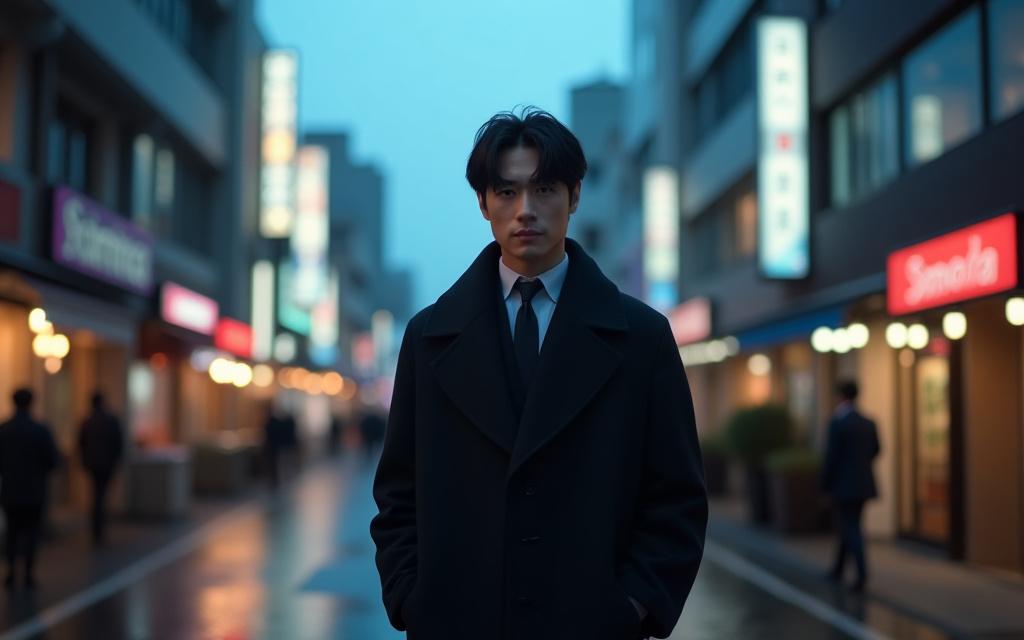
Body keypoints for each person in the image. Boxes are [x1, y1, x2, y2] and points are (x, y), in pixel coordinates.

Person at [370, 108, 707, 640]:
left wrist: (633, 605)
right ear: (483, 203)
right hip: (456, 621)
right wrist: (412, 598)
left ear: (575, 197)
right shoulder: (428, 336)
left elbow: (677, 495)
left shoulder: (641, 337)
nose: (525, 210)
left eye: (545, 189)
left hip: (590, 624)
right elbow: (397, 493)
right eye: (506, 192)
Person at [822, 380, 880, 592]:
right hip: (864, 483)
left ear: (840, 396)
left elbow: (831, 458)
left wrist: (825, 485)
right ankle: (837, 569)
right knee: (849, 525)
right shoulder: (868, 422)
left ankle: (862, 575)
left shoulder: (837, 422)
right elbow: (876, 450)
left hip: (843, 484)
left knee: (851, 527)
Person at [0, 388, 59, 589]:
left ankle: (10, 571)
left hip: (10, 489)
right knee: (31, 532)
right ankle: (28, 572)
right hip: (34, 490)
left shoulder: (4, 429)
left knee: (13, 531)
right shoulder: (40, 430)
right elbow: (52, 460)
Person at [77, 392, 124, 544]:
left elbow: (81, 444)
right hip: (107, 464)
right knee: (101, 496)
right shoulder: (111, 420)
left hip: (92, 464)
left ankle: (97, 529)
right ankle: (100, 529)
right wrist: (116, 461)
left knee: (96, 496)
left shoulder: (87, 421)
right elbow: (118, 443)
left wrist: (84, 462)